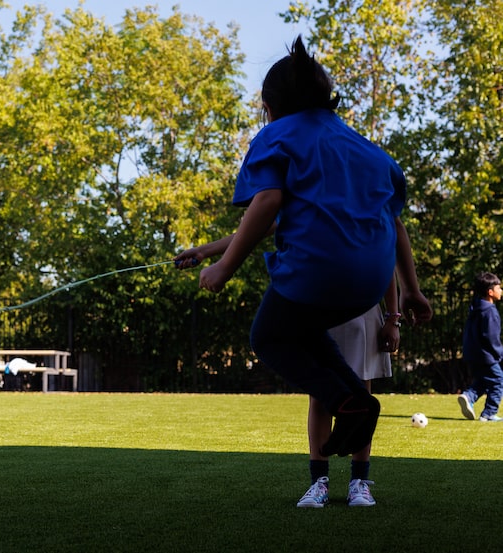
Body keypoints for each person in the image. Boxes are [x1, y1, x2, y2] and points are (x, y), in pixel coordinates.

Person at [174, 36, 431, 464]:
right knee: (304, 329)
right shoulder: (367, 150)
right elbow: (395, 222)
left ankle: (341, 400)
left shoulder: (277, 136)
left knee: (268, 335)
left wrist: (223, 267)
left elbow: (268, 202)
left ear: (269, 106)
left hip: (318, 271)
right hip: (369, 283)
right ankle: (356, 399)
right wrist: (412, 291)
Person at [297, 286, 400, 508]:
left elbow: (387, 261)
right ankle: (318, 483)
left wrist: (393, 318)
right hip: (320, 303)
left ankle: (359, 481)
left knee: (360, 392)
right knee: (319, 393)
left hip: (362, 303)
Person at [457, 272, 503, 422]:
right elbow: (491, 337)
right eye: (499, 288)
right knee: (498, 381)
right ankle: (489, 413)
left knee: (483, 380)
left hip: (472, 354)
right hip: (487, 356)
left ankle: (468, 396)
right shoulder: (490, 311)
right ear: (490, 292)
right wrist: (499, 354)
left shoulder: (475, 308)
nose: (501, 290)